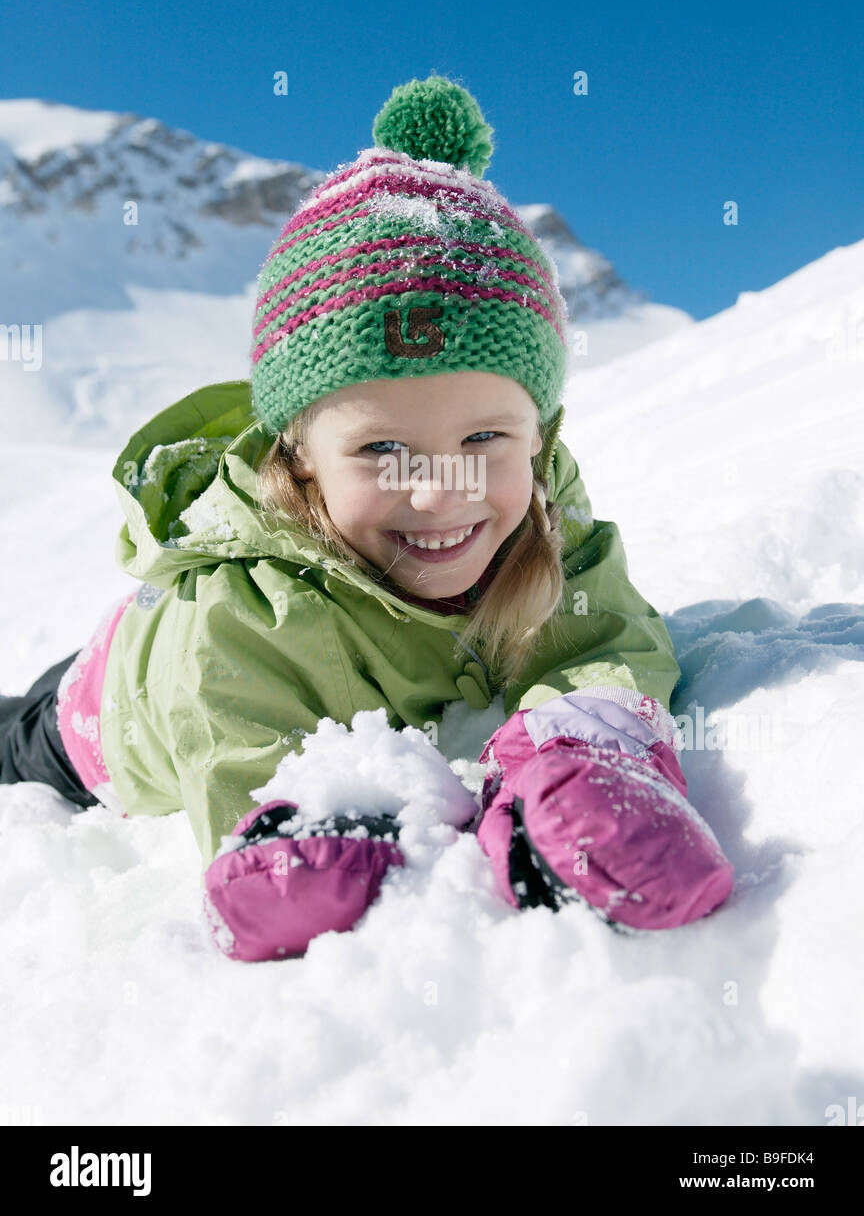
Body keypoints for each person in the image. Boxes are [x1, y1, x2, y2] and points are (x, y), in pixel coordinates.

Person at [0, 75, 734, 962]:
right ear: (299, 452)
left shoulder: (544, 518)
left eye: (485, 436)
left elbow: (601, 638)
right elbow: (244, 779)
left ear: (538, 435)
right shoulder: (246, 621)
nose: (439, 492)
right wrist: (317, 826)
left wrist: (585, 746)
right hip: (101, 710)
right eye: (383, 452)